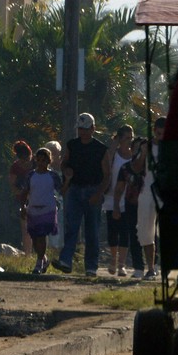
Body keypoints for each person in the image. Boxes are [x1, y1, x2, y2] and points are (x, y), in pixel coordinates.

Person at [52, 112, 110, 275]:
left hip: (93, 191)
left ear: (93, 128)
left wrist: (98, 194)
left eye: (85, 129)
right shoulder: (72, 145)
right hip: (75, 190)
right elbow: (64, 163)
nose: (82, 132)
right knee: (72, 228)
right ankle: (66, 260)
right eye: (80, 129)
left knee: (92, 231)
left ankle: (91, 266)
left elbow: (107, 175)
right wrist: (67, 172)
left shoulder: (101, 149)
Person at [18, 147, 62, 274]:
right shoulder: (31, 175)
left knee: (42, 236)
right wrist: (23, 207)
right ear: (36, 160)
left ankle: (38, 263)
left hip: (47, 209)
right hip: (33, 209)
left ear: (49, 161)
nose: (41, 162)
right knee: (35, 237)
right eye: (39, 160)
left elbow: (61, 191)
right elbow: (25, 192)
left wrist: (69, 180)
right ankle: (43, 258)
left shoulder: (52, 176)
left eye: (44, 160)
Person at [133, 118, 166, 279]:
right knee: (146, 230)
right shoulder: (145, 146)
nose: (161, 137)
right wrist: (144, 152)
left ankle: (165, 266)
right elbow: (136, 168)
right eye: (159, 133)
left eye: (164, 134)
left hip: (165, 191)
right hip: (147, 190)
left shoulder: (171, 147)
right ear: (154, 131)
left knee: (166, 230)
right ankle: (151, 267)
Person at [104, 124, 137, 276]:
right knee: (112, 231)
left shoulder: (134, 155)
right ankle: (113, 259)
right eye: (126, 138)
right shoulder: (114, 154)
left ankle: (121, 264)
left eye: (131, 138)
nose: (129, 141)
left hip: (128, 198)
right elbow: (106, 165)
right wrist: (113, 145)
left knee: (125, 231)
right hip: (111, 197)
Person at [8, 140, 34, 253]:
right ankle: (27, 254)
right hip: (23, 201)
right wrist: (25, 195)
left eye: (28, 159)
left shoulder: (37, 163)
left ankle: (40, 253)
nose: (26, 162)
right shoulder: (15, 168)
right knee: (26, 229)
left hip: (38, 199)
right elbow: (13, 187)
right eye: (24, 160)